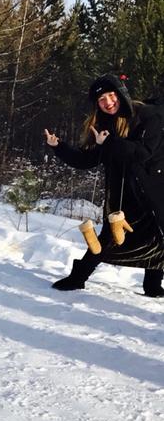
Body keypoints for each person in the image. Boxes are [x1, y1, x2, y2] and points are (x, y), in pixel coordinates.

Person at [45, 74, 164, 296]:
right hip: (122, 193)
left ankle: (153, 285)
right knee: (109, 237)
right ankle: (78, 278)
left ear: (121, 94)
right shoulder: (104, 125)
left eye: (111, 96)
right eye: (101, 100)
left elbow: (143, 153)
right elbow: (87, 159)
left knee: (157, 235)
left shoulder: (149, 117)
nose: (108, 102)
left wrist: (110, 142)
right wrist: (59, 147)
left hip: (153, 188)